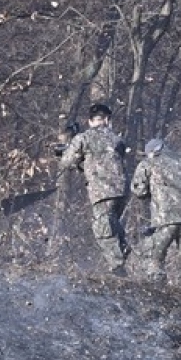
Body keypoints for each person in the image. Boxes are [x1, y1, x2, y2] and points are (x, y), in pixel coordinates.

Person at [58, 103, 130, 274]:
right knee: (111, 221)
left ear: (90, 121)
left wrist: (67, 150)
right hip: (120, 191)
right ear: (107, 120)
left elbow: (66, 163)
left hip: (101, 192)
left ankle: (117, 267)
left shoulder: (83, 138)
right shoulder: (117, 139)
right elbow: (104, 158)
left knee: (102, 229)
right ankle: (124, 246)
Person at [131, 138, 181, 289]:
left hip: (163, 218)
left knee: (154, 255)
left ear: (151, 152)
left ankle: (157, 290)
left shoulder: (148, 164)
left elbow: (139, 190)